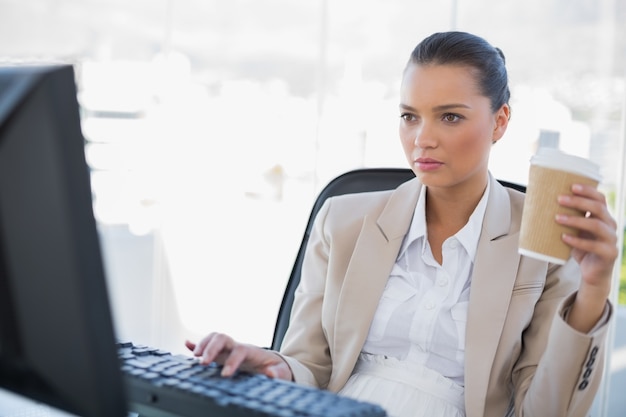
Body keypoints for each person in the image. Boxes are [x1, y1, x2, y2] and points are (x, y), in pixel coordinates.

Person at [185, 31, 618, 417]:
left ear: (500, 121)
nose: (422, 138)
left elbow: (545, 412)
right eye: (410, 115)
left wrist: (594, 290)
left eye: (450, 117)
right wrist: (272, 365)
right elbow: (310, 365)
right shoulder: (343, 221)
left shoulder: (540, 245)